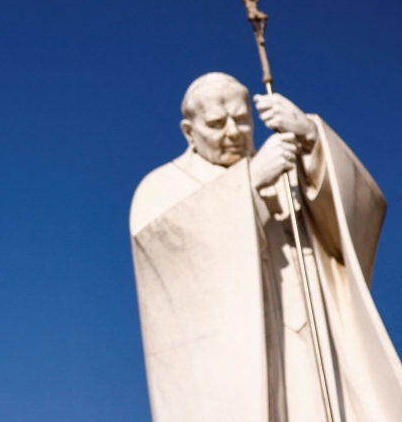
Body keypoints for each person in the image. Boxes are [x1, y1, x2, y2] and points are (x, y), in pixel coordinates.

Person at [130, 72, 402, 421]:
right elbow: (168, 264)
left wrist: (311, 137)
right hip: (236, 362)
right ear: (189, 131)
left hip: (312, 342)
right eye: (216, 124)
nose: (233, 133)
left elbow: (356, 222)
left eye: (242, 120)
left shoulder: (286, 172)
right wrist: (250, 182)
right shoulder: (163, 187)